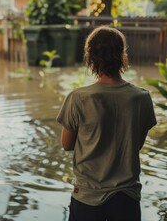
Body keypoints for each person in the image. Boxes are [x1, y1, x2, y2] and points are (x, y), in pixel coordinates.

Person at [56, 26, 157, 221]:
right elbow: (137, 145)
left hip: (87, 197)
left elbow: (67, 145)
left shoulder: (78, 98)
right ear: (122, 55)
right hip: (126, 199)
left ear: (90, 57)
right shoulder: (142, 98)